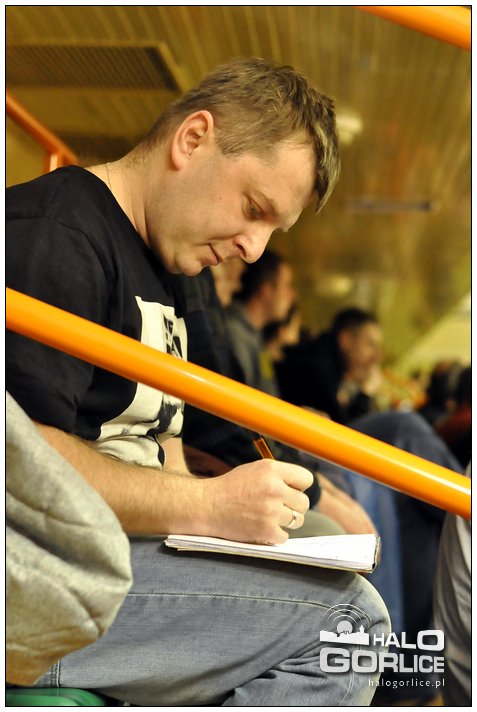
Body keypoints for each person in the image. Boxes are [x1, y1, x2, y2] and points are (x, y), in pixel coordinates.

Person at [6, 57, 389, 706]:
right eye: (252, 209)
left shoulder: (176, 265)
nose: (254, 250)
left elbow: (178, 438)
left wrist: (221, 516)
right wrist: (208, 507)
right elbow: (22, 470)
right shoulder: (55, 234)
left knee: (324, 535)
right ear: (192, 139)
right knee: (348, 626)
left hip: (120, 548)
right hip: (46, 570)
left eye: (271, 230)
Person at [277, 306, 383, 424]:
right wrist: (366, 393)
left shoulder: (325, 358)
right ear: (346, 339)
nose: (376, 356)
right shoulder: (319, 367)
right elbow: (344, 429)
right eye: (370, 344)